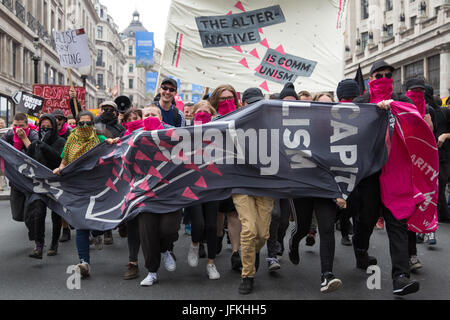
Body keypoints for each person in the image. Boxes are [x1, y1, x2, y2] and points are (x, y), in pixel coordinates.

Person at [352, 59, 419, 296]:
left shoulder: (403, 102)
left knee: (397, 221)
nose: (383, 79)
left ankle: (400, 276)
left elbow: (418, 126)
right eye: (378, 75)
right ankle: (360, 249)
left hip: (397, 173)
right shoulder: (361, 103)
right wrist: (373, 113)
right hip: (370, 173)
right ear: (370, 79)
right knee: (367, 218)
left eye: (388, 75)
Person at [53, 111, 119, 278]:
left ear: (93, 125)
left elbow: (110, 147)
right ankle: (84, 263)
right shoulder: (70, 140)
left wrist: (112, 142)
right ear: (76, 124)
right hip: (78, 188)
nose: (84, 127)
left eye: (88, 124)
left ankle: (97, 234)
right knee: (81, 224)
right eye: (81, 123)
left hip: (98, 188)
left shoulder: (100, 140)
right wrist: (59, 169)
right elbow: (64, 161)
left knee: (97, 222)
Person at [138, 114, 182, 286]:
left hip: (170, 193)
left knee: (169, 228)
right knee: (148, 233)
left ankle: (165, 249)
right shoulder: (135, 138)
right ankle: (152, 271)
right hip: (146, 194)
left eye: (153, 114)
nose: (150, 117)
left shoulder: (174, 136)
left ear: (161, 118)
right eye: (146, 115)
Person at [209, 85, 243, 272]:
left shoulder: (241, 117)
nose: (226, 101)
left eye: (230, 98)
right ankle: (219, 234)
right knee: (218, 212)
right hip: (214, 171)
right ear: (216, 100)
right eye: (222, 99)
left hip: (234, 171)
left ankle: (236, 253)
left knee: (233, 213)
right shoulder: (209, 118)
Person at [186, 100, 221, 280]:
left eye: (206, 111)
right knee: (198, 223)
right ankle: (194, 244)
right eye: (199, 111)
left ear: (212, 114)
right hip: (193, 184)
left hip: (212, 184)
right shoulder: (186, 131)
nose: (202, 113)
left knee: (212, 225)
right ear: (193, 114)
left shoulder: (219, 132)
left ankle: (211, 263)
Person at [25, 114, 66, 258]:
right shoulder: (35, 142)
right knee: (38, 212)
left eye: (48, 127)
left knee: (56, 215)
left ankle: (54, 244)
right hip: (39, 183)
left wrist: (46, 147)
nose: (45, 129)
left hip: (55, 183)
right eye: (43, 127)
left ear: (54, 128)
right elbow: (28, 159)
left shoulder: (61, 141)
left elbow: (61, 159)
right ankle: (39, 245)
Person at [335, 79, 361, 246]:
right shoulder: (333, 113)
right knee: (345, 202)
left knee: (357, 203)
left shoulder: (364, 112)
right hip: (339, 163)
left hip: (359, 164)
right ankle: (345, 229)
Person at [1, 113, 39, 223]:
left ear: (27, 125)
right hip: (15, 176)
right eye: (15, 126)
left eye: (21, 126)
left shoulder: (33, 134)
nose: (18, 129)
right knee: (17, 215)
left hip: (30, 176)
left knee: (29, 212)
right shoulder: (9, 134)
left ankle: (33, 224)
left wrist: (24, 138)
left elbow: (35, 153)